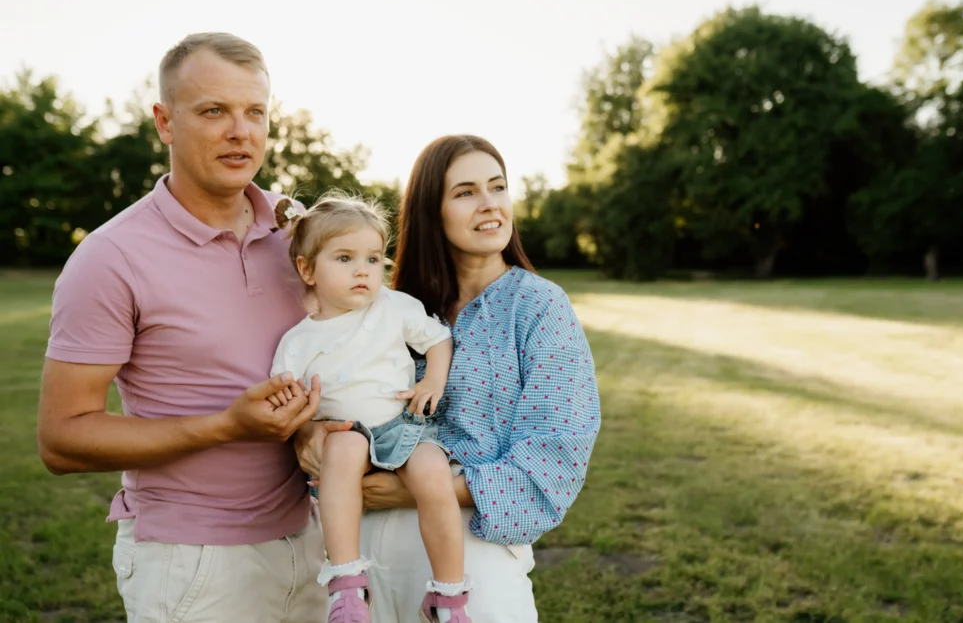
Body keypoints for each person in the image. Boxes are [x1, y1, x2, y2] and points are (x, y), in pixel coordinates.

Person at [37, 32, 345, 622]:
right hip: (194, 564)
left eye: (255, 112)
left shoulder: (301, 233)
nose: (241, 132)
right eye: (213, 111)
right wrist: (228, 426)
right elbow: (61, 440)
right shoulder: (111, 257)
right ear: (164, 122)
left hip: (318, 540)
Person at [295, 135, 602, 623]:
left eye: (497, 187)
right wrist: (309, 434)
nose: (489, 205)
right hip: (361, 559)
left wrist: (416, 489)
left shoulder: (539, 307)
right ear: (430, 211)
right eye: (465, 192)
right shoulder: (389, 306)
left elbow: (556, 453)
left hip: (471, 563)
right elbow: (331, 385)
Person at [269, 194, 474, 623]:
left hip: (401, 424)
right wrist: (304, 425)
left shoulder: (394, 307)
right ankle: (348, 587)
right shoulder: (297, 340)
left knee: (434, 474)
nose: (363, 270)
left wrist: (432, 380)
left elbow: (438, 339)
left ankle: (448, 595)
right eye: (344, 258)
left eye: (374, 258)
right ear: (308, 270)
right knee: (342, 450)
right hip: (345, 430)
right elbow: (286, 398)